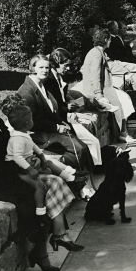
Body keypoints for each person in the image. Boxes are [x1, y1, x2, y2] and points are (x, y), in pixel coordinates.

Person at [0, 84, 80, 271]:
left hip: (12, 174)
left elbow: (13, 150)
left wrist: (29, 160)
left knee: (55, 183)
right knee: (36, 195)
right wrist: (22, 166)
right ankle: (42, 251)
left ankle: (51, 242)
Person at [17, 55, 96, 200]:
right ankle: (83, 187)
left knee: (82, 146)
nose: (45, 70)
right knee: (78, 148)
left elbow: (51, 110)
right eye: (40, 67)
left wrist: (62, 122)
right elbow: (33, 120)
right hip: (38, 134)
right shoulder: (27, 91)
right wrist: (57, 127)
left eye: (47, 67)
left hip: (50, 129)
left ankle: (86, 185)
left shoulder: (43, 85)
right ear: (32, 68)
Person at [2, 97, 81, 222]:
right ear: (27, 124)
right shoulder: (16, 138)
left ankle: (70, 179)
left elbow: (33, 146)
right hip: (21, 169)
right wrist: (30, 169)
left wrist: (42, 157)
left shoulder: (24, 134)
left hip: (29, 161)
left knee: (49, 169)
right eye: (31, 119)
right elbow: (17, 157)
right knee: (40, 185)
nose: (33, 121)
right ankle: (41, 211)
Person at [46, 48, 103, 168]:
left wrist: (69, 105)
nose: (68, 68)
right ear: (56, 63)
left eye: (69, 65)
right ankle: (94, 170)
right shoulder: (49, 80)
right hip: (61, 122)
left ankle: (96, 168)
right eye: (65, 65)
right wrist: (67, 108)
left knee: (93, 142)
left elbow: (60, 100)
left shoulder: (58, 77)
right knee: (89, 143)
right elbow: (53, 104)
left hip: (66, 117)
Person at [76, 28, 135, 142]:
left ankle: (123, 132)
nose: (110, 42)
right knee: (123, 100)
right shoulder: (96, 54)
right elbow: (95, 75)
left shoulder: (97, 52)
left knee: (125, 98)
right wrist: (99, 95)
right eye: (109, 39)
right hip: (97, 91)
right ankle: (122, 133)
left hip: (104, 88)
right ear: (105, 40)